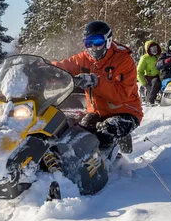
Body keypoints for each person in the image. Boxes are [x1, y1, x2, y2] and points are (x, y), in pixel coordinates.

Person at [53, 21, 143, 155]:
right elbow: (63, 67)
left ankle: (109, 167)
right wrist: (40, 68)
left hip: (126, 112)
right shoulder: (84, 58)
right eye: (89, 43)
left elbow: (120, 96)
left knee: (106, 131)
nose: (93, 48)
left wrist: (96, 82)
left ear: (108, 41)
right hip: (97, 112)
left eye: (97, 42)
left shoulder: (123, 59)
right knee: (78, 134)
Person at [137, 40, 162, 105]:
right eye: (152, 48)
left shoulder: (160, 56)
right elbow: (139, 72)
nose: (154, 50)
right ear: (148, 49)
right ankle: (150, 100)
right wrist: (144, 84)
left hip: (161, 76)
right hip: (149, 77)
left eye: (155, 48)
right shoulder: (145, 58)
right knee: (155, 82)